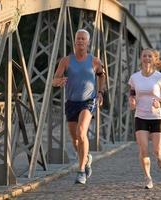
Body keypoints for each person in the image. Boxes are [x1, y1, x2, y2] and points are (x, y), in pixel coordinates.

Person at [52, 29, 105, 184]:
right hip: (71, 102)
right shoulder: (66, 61)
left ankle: (81, 170)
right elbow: (54, 80)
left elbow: (102, 75)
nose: (80, 41)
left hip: (88, 101)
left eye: (83, 39)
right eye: (78, 39)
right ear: (74, 41)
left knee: (82, 132)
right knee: (75, 140)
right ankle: (86, 157)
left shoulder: (95, 61)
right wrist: (59, 82)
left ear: (88, 42)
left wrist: (100, 92)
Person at [128, 48, 161, 189]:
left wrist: (160, 103)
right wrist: (132, 101)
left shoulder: (160, 77)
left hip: (157, 117)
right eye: (144, 56)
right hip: (141, 116)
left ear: (154, 59)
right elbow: (132, 93)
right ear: (141, 58)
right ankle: (148, 177)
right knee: (143, 149)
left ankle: (160, 156)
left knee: (157, 151)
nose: (147, 58)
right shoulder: (134, 77)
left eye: (149, 56)